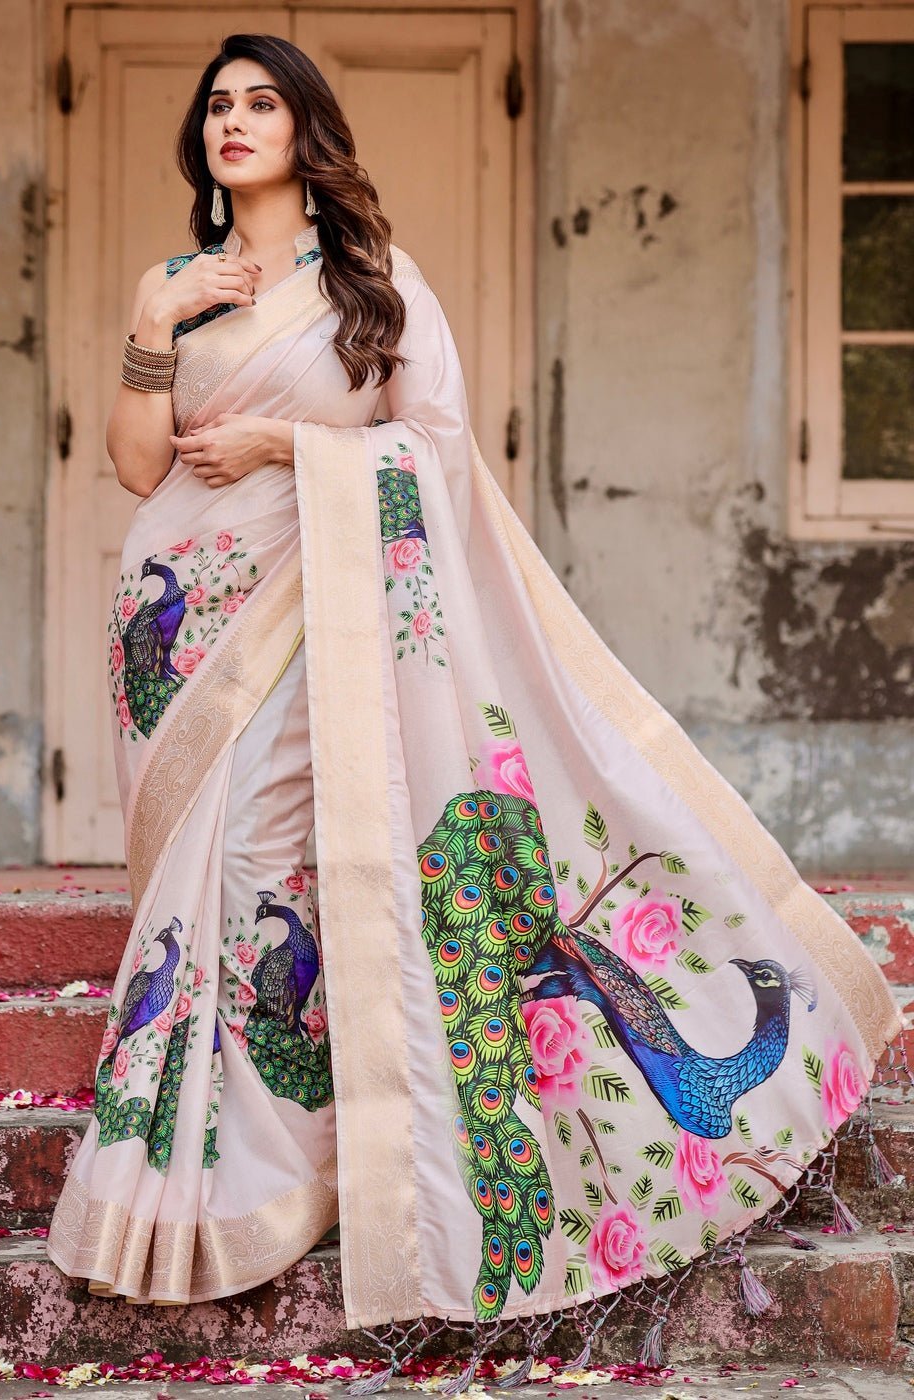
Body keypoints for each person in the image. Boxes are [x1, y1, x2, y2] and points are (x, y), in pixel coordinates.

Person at [45, 32, 903, 1374]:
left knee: (260, 877)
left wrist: (293, 445)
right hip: (175, 628)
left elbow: (436, 453)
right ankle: (235, 1161)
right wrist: (154, 333)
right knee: (193, 888)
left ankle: (284, 1175)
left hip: (309, 609)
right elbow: (135, 461)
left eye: (262, 102)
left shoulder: (375, 284)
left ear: (305, 129)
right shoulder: (174, 285)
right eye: (218, 105)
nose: (234, 121)